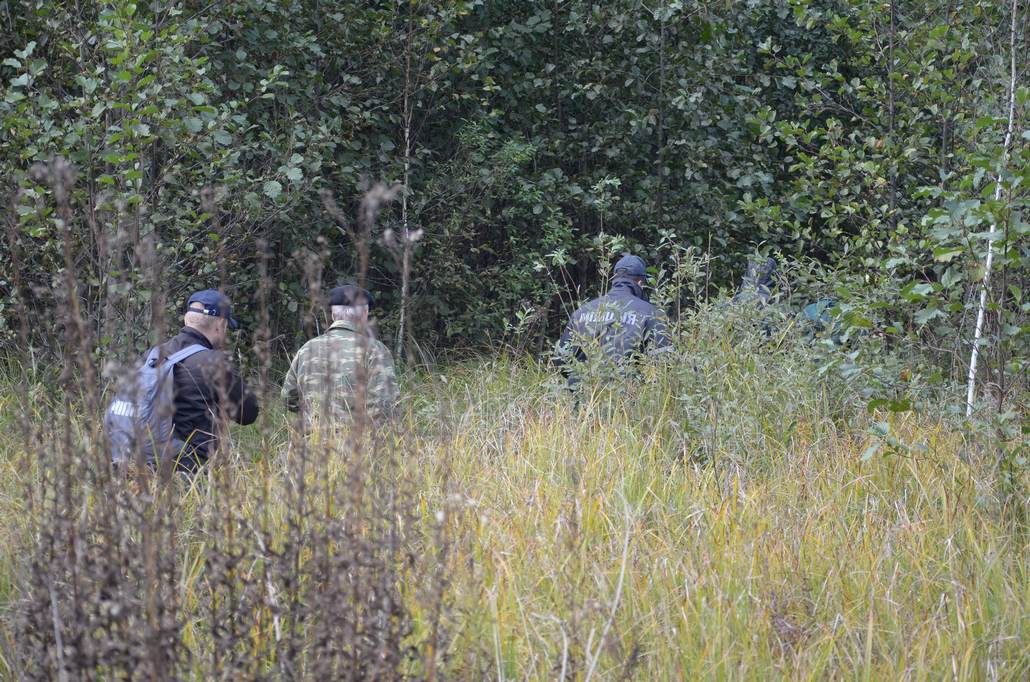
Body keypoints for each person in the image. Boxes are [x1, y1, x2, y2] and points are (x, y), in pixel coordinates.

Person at [161, 289, 259, 471]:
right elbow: (248, 414)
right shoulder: (214, 362)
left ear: (186, 320)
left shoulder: (151, 356)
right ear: (220, 324)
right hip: (190, 470)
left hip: (143, 461)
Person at [282, 284, 400, 427]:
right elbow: (385, 405)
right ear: (364, 314)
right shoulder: (375, 349)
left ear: (333, 315)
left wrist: (314, 416)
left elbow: (288, 398)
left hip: (312, 439)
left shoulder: (306, 349)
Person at [555, 254, 672, 390]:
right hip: (628, 396)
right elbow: (663, 363)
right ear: (641, 283)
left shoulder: (581, 312)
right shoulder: (652, 313)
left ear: (614, 280)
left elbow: (562, 361)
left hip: (583, 396)